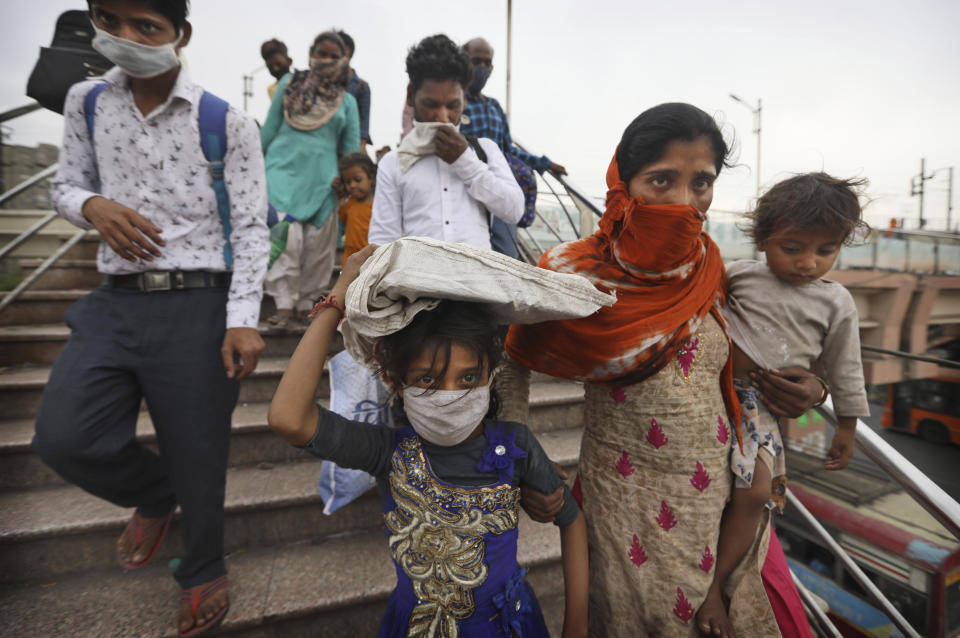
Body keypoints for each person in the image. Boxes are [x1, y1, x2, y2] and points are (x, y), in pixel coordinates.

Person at [503, 103, 824, 637]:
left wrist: (814, 389)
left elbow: (749, 355)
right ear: (623, 183)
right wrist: (522, 463)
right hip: (622, 499)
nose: (683, 201)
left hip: (716, 501)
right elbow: (514, 359)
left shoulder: (710, 265)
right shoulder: (572, 272)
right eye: (661, 181)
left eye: (702, 182)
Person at [33, 1, 268, 636]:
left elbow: (250, 229)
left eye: (146, 26)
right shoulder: (87, 103)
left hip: (199, 304)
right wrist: (92, 205)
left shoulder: (227, 122)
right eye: (109, 20)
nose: (126, 37)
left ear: (179, 35)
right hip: (115, 300)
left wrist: (242, 319)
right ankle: (157, 493)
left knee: (201, 451)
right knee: (63, 437)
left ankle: (203, 565)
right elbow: (64, 187)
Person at [267, 244, 590, 637]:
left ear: (491, 373)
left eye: (468, 378)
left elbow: (571, 520)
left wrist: (577, 625)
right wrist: (336, 298)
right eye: (427, 380)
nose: (451, 395)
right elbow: (288, 418)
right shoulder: (387, 451)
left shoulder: (514, 444)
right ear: (395, 382)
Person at [698, 173, 871, 636]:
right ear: (761, 238)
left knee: (754, 493)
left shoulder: (837, 301)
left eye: (825, 250)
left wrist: (846, 428)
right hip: (710, 396)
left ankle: (714, 586)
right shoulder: (737, 274)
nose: (807, 263)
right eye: (792, 248)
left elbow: (844, 367)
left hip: (763, 409)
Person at [367, 34, 524, 250]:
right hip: (419, 281)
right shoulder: (393, 163)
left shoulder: (485, 150)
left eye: (452, 105)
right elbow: (382, 239)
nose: (442, 117)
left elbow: (514, 209)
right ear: (411, 95)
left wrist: (466, 162)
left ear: (464, 99)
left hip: (478, 280)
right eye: (431, 104)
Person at [261, 30, 360, 328]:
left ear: (344, 61)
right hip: (281, 173)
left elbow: (351, 149)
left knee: (318, 248)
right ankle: (284, 304)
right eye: (321, 53)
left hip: (324, 183)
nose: (326, 60)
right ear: (310, 55)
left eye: (333, 55)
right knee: (285, 240)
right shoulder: (287, 87)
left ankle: (309, 304)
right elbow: (268, 130)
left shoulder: (347, 102)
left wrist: (348, 179)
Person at [460, 37, 567, 258]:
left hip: (500, 187)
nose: (481, 68)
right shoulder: (454, 103)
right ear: (463, 62)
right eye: (475, 61)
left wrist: (544, 164)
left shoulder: (494, 107)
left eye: (486, 63)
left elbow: (507, 150)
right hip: (466, 190)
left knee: (506, 255)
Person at [336, 151, 376, 268]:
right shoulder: (349, 204)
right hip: (349, 260)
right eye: (348, 182)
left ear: (372, 178)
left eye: (357, 180)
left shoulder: (378, 206)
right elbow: (342, 218)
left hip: (370, 260)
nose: (352, 185)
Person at [336, 30, 372, 149]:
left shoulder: (362, 87)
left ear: (348, 52)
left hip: (349, 146)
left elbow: (363, 124)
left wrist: (360, 150)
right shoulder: (321, 82)